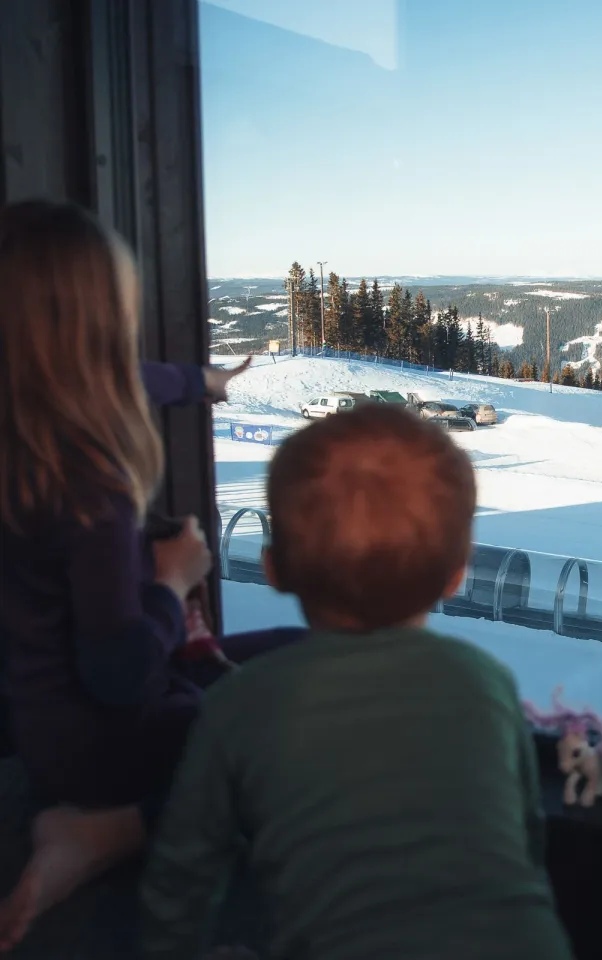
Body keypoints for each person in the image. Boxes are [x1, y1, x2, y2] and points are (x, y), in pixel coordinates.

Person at [139, 404, 574, 960]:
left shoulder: (238, 703)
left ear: (273, 569)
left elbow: (182, 873)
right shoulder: (484, 681)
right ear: (458, 573)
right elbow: (527, 836)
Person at [0, 199, 297, 949]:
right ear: (93, 327)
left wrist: (206, 381)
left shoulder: (25, 435)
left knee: (301, 657)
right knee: (270, 740)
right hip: (101, 740)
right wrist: (174, 577)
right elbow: (117, 672)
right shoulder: (89, 487)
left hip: (41, 727)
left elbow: (136, 378)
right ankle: (108, 835)